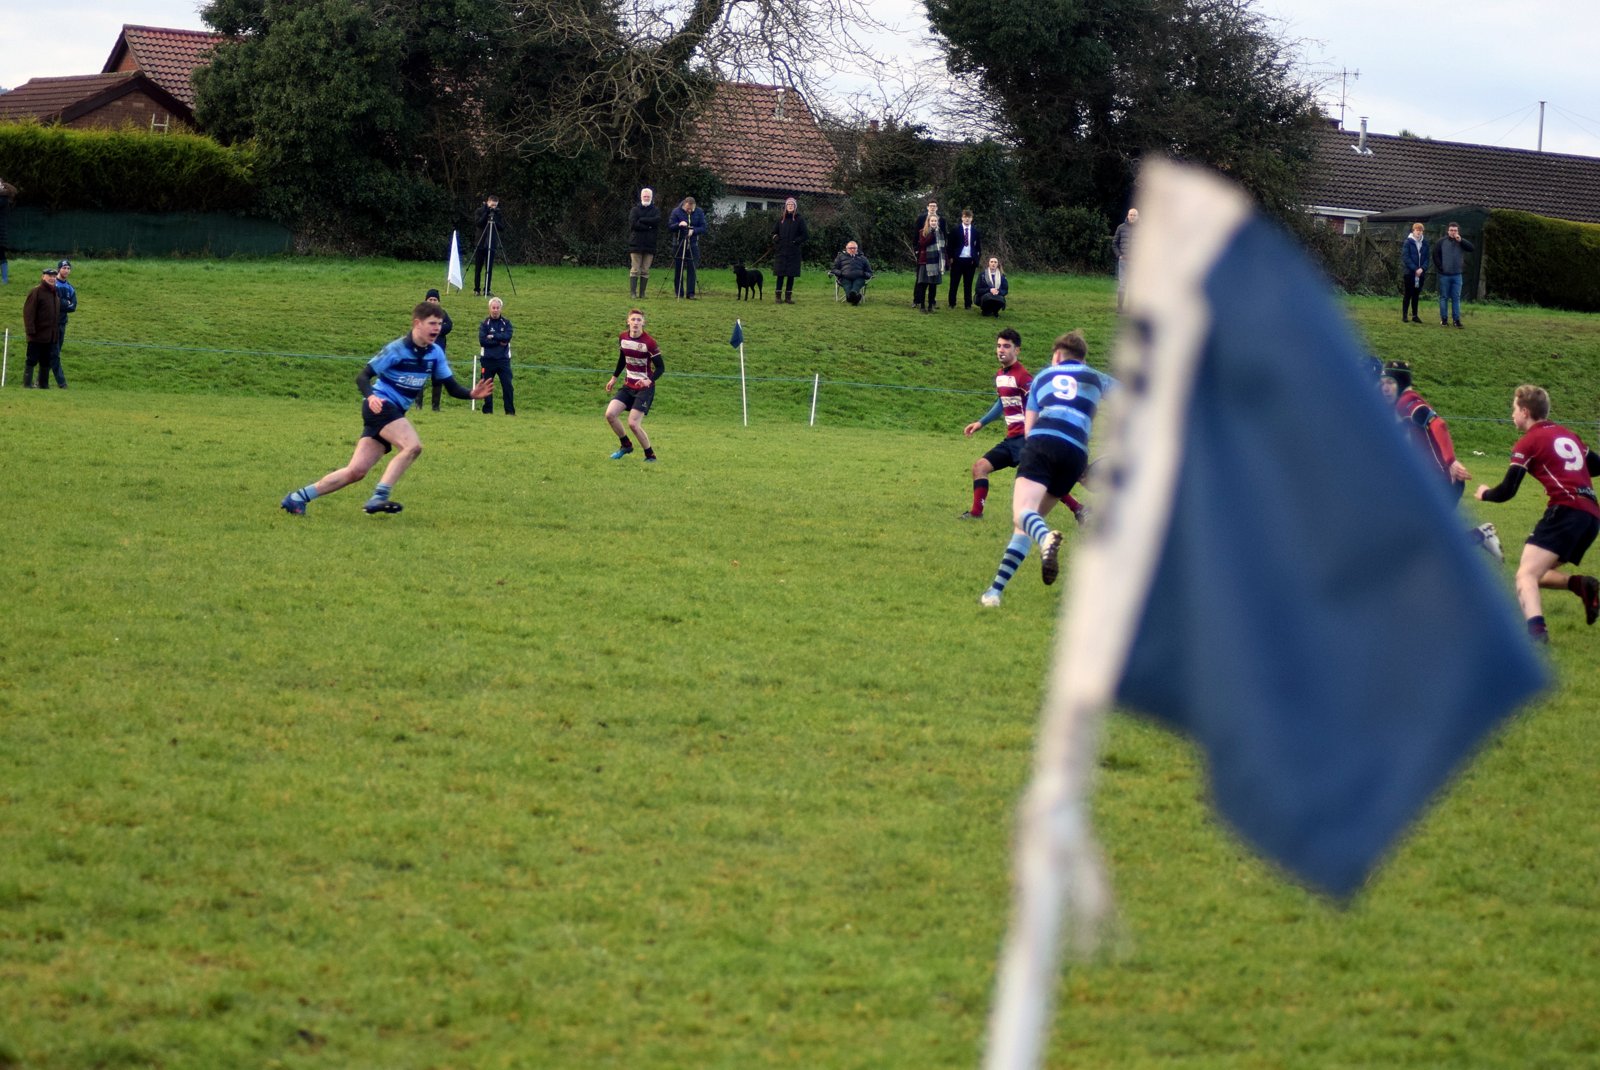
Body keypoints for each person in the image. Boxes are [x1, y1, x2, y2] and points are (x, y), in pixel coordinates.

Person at [279, 302, 492, 517]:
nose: (437, 328)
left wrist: (471, 394)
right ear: (417, 323)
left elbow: (451, 387)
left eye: (439, 323)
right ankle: (379, 496)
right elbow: (362, 377)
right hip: (380, 406)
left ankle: (297, 498)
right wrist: (371, 396)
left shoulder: (435, 353)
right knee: (412, 446)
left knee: (356, 471)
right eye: (432, 323)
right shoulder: (397, 349)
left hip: (392, 413)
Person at [979, 330, 1114, 607]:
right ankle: (995, 591)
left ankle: (1046, 538)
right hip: (1077, 453)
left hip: (1042, 443)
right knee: (1027, 522)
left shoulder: (1042, 377)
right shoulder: (1096, 378)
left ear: (1058, 356)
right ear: (1082, 359)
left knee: (1023, 513)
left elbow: (1029, 429)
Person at [1475, 384, 1600, 643]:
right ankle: (1581, 585)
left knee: (1525, 575)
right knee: (1535, 573)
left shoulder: (1528, 441)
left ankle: (1537, 634)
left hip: (1565, 511)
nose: (1512, 414)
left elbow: (1508, 490)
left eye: (1514, 409)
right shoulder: (1568, 434)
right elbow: (1597, 466)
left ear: (1524, 411)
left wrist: (1485, 493)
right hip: (1590, 516)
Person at [1379, 361, 1501, 561]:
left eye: (1390, 382)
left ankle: (1480, 536)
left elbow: (1439, 425)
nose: (1385, 387)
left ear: (1402, 382)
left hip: (1442, 481)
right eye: (1383, 382)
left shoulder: (1407, 402)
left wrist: (1451, 461)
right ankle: (1480, 535)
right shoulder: (1401, 404)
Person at [604, 308, 664, 462]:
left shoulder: (649, 343)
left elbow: (661, 368)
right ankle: (626, 445)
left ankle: (650, 455)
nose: (636, 322)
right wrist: (614, 378)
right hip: (628, 386)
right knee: (610, 414)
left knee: (633, 423)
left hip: (644, 389)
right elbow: (622, 359)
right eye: (633, 319)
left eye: (639, 320)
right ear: (628, 321)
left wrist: (649, 380)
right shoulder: (623, 338)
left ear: (643, 323)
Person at [21, 266, 60, 389]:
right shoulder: (36, 291)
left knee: (46, 360)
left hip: (50, 336)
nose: (52, 278)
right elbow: (28, 312)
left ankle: (43, 384)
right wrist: (30, 330)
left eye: (54, 276)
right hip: (36, 334)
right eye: (49, 276)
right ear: (43, 277)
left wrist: (55, 333)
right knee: (32, 359)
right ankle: (27, 384)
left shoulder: (54, 292)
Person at [1431, 221, 1474, 328]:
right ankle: (1444, 320)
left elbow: (1471, 248)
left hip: (1457, 275)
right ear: (1448, 231)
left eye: (1455, 230)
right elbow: (1435, 255)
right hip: (1444, 275)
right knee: (1444, 297)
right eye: (1451, 230)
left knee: (1456, 298)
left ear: (1458, 231)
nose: (1453, 232)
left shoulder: (1461, 242)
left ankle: (1456, 320)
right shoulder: (1441, 242)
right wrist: (1441, 267)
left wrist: (1461, 240)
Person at [478, 297, 515, 415]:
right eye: (493, 308)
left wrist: (493, 336)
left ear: (501, 309)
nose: (495, 310)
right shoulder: (484, 324)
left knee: (508, 386)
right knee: (487, 387)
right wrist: (499, 342)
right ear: (489, 308)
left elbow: (507, 337)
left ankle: (510, 412)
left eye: (497, 308)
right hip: (487, 360)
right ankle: (488, 411)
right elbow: (483, 341)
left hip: (503, 360)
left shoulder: (506, 323)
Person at [668, 195, 707, 299]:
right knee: (678, 269)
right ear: (684, 205)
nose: (689, 211)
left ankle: (690, 293)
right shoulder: (676, 212)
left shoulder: (699, 212)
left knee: (692, 268)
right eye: (687, 209)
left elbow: (704, 227)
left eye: (691, 209)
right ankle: (679, 293)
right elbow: (670, 226)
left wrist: (694, 231)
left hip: (693, 244)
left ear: (694, 206)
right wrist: (679, 224)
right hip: (679, 243)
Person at [422, 288, 455, 412]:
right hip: (423, 351)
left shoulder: (443, 314)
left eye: (435, 299)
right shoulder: (421, 314)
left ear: (438, 301)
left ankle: (435, 407)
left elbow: (449, 326)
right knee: (420, 379)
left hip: (438, 352)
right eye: (430, 299)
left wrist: (435, 329)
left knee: (437, 379)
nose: (432, 301)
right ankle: (418, 406)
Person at [912, 200, 946, 313]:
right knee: (922, 283)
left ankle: (931, 305)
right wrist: (931, 234)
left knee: (933, 285)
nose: (934, 222)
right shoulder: (923, 231)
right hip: (925, 260)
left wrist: (945, 260)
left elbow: (943, 246)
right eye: (932, 220)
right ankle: (920, 304)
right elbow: (921, 243)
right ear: (928, 221)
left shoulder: (940, 232)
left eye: (935, 221)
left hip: (936, 261)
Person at [772, 196, 808, 303]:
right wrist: (776, 238)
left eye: (792, 204)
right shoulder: (781, 219)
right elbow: (774, 233)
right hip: (781, 251)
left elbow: (805, 235)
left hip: (793, 252)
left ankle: (788, 297)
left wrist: (796, 241)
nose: (790, 206)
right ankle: (778, 297)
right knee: (780, 274)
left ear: (795, 206)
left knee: (790, 275)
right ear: (786, 206)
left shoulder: (799, 219)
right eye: (788, 204)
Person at [628, 188, 660, 299]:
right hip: (636, 244)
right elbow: (633, 224)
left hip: (650, 244)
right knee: (635, 269)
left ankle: (642, 294)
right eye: (644, 196)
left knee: (645, 270)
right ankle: (633, 293)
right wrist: (649, 226)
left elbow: (657, 221)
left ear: (651, 197)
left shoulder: (656, 210)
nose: (646, 198)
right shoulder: (634, 210)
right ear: (641, 197)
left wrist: (641, 219)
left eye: (648, 196)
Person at [49, 259, 76, 388]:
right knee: (54, 354)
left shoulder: (70, 288)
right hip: (51, 324)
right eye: (64, 268)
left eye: (68, 268)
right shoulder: (53, 285)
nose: (66, 270)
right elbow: (54, 303)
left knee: (54, 353)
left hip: (62, 324)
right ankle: (62, 383)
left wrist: (62, 304)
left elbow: (73, 307)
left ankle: (39, 381)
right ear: (58, 269)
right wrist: (66, 303)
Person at [947, 208, 981, 309]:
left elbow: (978, 247)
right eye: (965, 217)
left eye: (969, 217)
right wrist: (951, 257)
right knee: (954, 283)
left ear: (972, 219)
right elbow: (950, 245)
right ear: (962, 218)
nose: (967, 219)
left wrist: (976, 259)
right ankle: (952, 303)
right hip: (957, 260)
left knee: (968, 284)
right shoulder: (955, 230)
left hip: (970, 261)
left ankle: (968, 304)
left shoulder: (975, 231)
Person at [473, 195, 504, 297]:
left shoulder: (497, 213)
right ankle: (477, 289)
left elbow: (501, 227)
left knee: (489, 269)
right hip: (481, 242)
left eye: (495, 205)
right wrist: (486, 213)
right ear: (488, 202)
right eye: (492, 205)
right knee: (478, 268)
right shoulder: (479, 211)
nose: (493, 207)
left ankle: (487, 289)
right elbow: (479, 223)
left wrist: (495, 218)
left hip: (491, 243)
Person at [1400, 222, 1429, 323]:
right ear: (1413, 231)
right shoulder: (1408, 242)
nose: (1419, 232)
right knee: (1408, 294)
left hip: (1421, 274)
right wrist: (1415, 269)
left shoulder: (1425, 243)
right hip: (1409, 273)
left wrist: (1422, 269)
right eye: (1417, 230)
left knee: (1416, 295)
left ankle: (1415, 315)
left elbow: (1427, 259)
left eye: (1420, 230)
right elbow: (1406, 258)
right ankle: (1404, 315)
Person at [1113, 207, 1138, 312]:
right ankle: (1120, 307)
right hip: (1123, 261)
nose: (1132, 217)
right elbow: (1114, 243)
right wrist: (1119, 255)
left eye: (1134, 215)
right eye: (1130, 215)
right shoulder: (1121, 227)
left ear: (1137, 217)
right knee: (1122, 284)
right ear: (1127, 215)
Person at [0, 178, 15, 284]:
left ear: (2, 185)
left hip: (0, 232)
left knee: (1, 255)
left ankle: (5, 279)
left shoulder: (3, 199)